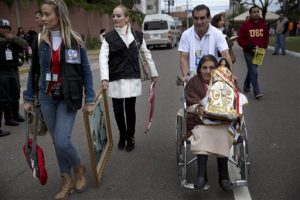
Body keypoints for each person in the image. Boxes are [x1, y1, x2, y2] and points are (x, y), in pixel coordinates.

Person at [23, 0, 95, 199]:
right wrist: (28, 96)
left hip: (67, 96)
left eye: (47, 14)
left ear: (59, 15)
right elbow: (33, 71)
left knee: (63, 141)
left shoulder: (75, 40)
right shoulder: (39, 41)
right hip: (46, 97)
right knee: (56, 142)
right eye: (42, 15)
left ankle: (78, 168)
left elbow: (86, 72)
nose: (43, 18)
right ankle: (66, 180)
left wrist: (90, 98)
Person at [99, 5, 158, 152]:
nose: (115, 18)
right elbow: (102, 58)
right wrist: (104, 79)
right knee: (118, 110)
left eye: (118, 16)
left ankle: (130, 136)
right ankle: (122, 134)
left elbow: (146, 53)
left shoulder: (137, 35)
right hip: (115, 78)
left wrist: (153, 72)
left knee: (130, 109)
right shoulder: (108, 37)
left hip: (132, 77)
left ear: (126, 18)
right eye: (113, 16)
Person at [185, 55, 233, 191]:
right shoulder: (193, 83)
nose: (207, 71)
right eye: (204, 68)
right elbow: (189, 104)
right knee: (202, 133)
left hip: (221, 121)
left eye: (211, 68)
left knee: (224, 133)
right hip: (200, 121)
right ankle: (201, 175)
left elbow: (234, 101)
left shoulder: (224, 81)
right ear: (199, 70)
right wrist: (198, 108)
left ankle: (223, 176)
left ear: (217, 69)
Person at [178, 4, 232, 81]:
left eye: (202, 18)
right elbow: (183, 58)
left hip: (213, 76)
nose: (199, 22)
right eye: (196, 18)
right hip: (193, 78)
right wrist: (185, 75)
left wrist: (229, 75)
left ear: (209, 18)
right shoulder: (186, 34)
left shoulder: (217, 34)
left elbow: (226, 55)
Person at [0, 19, 28, 129]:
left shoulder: (13, 40)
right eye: (3, 27)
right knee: (5, 95)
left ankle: (16, 115)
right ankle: (9, 118)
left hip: (14, 70)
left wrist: (14, 38)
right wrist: (4, 40)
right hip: (2, 71)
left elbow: (25, 44)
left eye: (7, 28)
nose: (5, 30)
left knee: (15, 93)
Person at [237, 5, 269, 100]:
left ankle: (246, 87)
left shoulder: (263, 24)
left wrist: (264, 47)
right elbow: (240, 39)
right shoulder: (245, 26)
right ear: (250, 14)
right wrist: (248, 46)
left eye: (257, 12)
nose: (256, 13)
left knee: (252, 70)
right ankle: (257, 91)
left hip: (260, 52)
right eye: (254, 12)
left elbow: (266, 37)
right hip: (248, 52)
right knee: (254, 72)